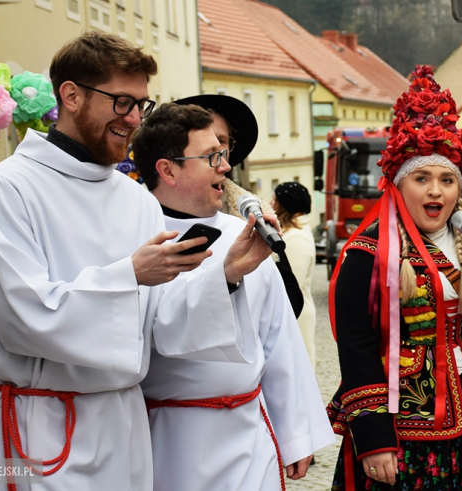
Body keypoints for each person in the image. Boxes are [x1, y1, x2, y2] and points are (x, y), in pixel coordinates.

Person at [0, 31, 270, 490]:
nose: (134, 120)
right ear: (71, 95)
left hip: (121, 419)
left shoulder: (135, 199)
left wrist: (226, 275)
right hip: (38, 419)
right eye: (122, 102)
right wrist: (129, 274)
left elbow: (156, 325)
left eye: (142, 105)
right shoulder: (7, 187)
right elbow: (21, 316)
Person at [326, 66, 462, 490]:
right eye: (421, 179)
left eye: (446, 180)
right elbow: (356, 346)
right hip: (408, 429)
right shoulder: (369, 253)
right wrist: (373, 439)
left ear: (461, 189)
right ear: (399, 186)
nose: (435, 191)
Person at [134, 102, 334, 491]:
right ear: (167, 169)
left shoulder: (244, 234)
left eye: (222, 154)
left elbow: (279, 340)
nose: (225, 166)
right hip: (169, 437)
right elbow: (146, 331)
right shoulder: (133, 237)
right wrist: (222, 277)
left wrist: (295, 435)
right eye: (212, 157)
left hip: (248, 434)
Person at [174, 94, 305, 318]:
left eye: (221, 141)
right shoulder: (144, 210)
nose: (216, 150)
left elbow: (291, 298)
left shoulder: (252, 212)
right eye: (205, 145)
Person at [271, 182, 317, 367]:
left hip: (297, 315)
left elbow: (291, 285)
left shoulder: (296, 238)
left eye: (275, 199)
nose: (271, 203)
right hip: (291, 313)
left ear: (285, 204)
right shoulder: (290, 233)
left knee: (298, 367)